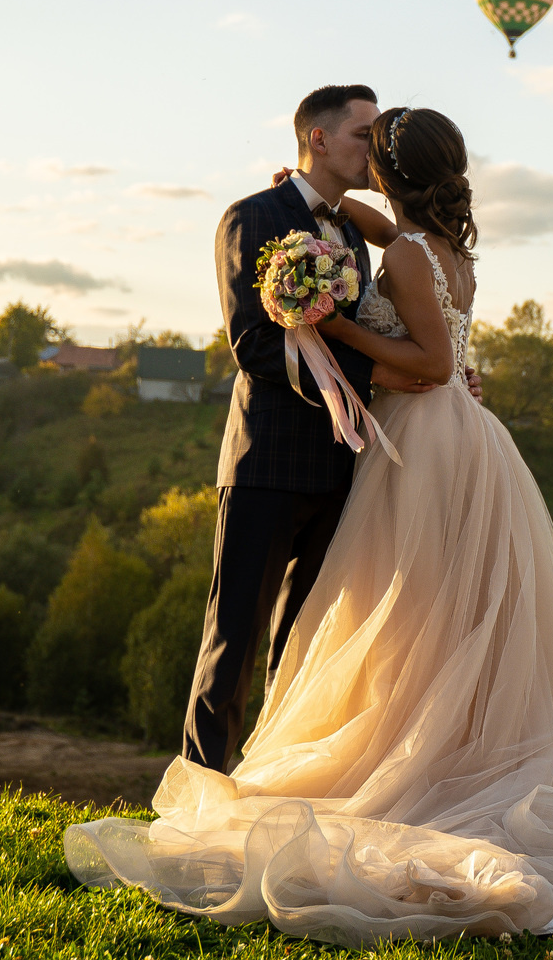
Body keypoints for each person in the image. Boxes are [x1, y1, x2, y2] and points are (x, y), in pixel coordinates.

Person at [68, 104, 553, 944]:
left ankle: (405, 770)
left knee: (398, 620)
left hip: (423, 442)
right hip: (449, 443)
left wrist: (328, 318)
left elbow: (435, 362)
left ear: (391, 170)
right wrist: (325, 219)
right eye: (359, 133)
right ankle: (435, 756)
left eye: (378, 143)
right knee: (429, 626)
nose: (366, 150)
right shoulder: (431, 242)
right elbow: (376, 239)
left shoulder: (406, 252)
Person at [179, 84, 440, 774]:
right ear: (318, 138)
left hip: (341, 470)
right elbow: (254, 345)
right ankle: (200, 790)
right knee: (232, 639)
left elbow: (383, 329)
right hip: (266, 463)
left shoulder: (352, 232)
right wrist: (373, 378)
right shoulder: (252, 215)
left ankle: (269, 788)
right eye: (362, 134)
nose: (373, 149)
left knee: (305, 648)